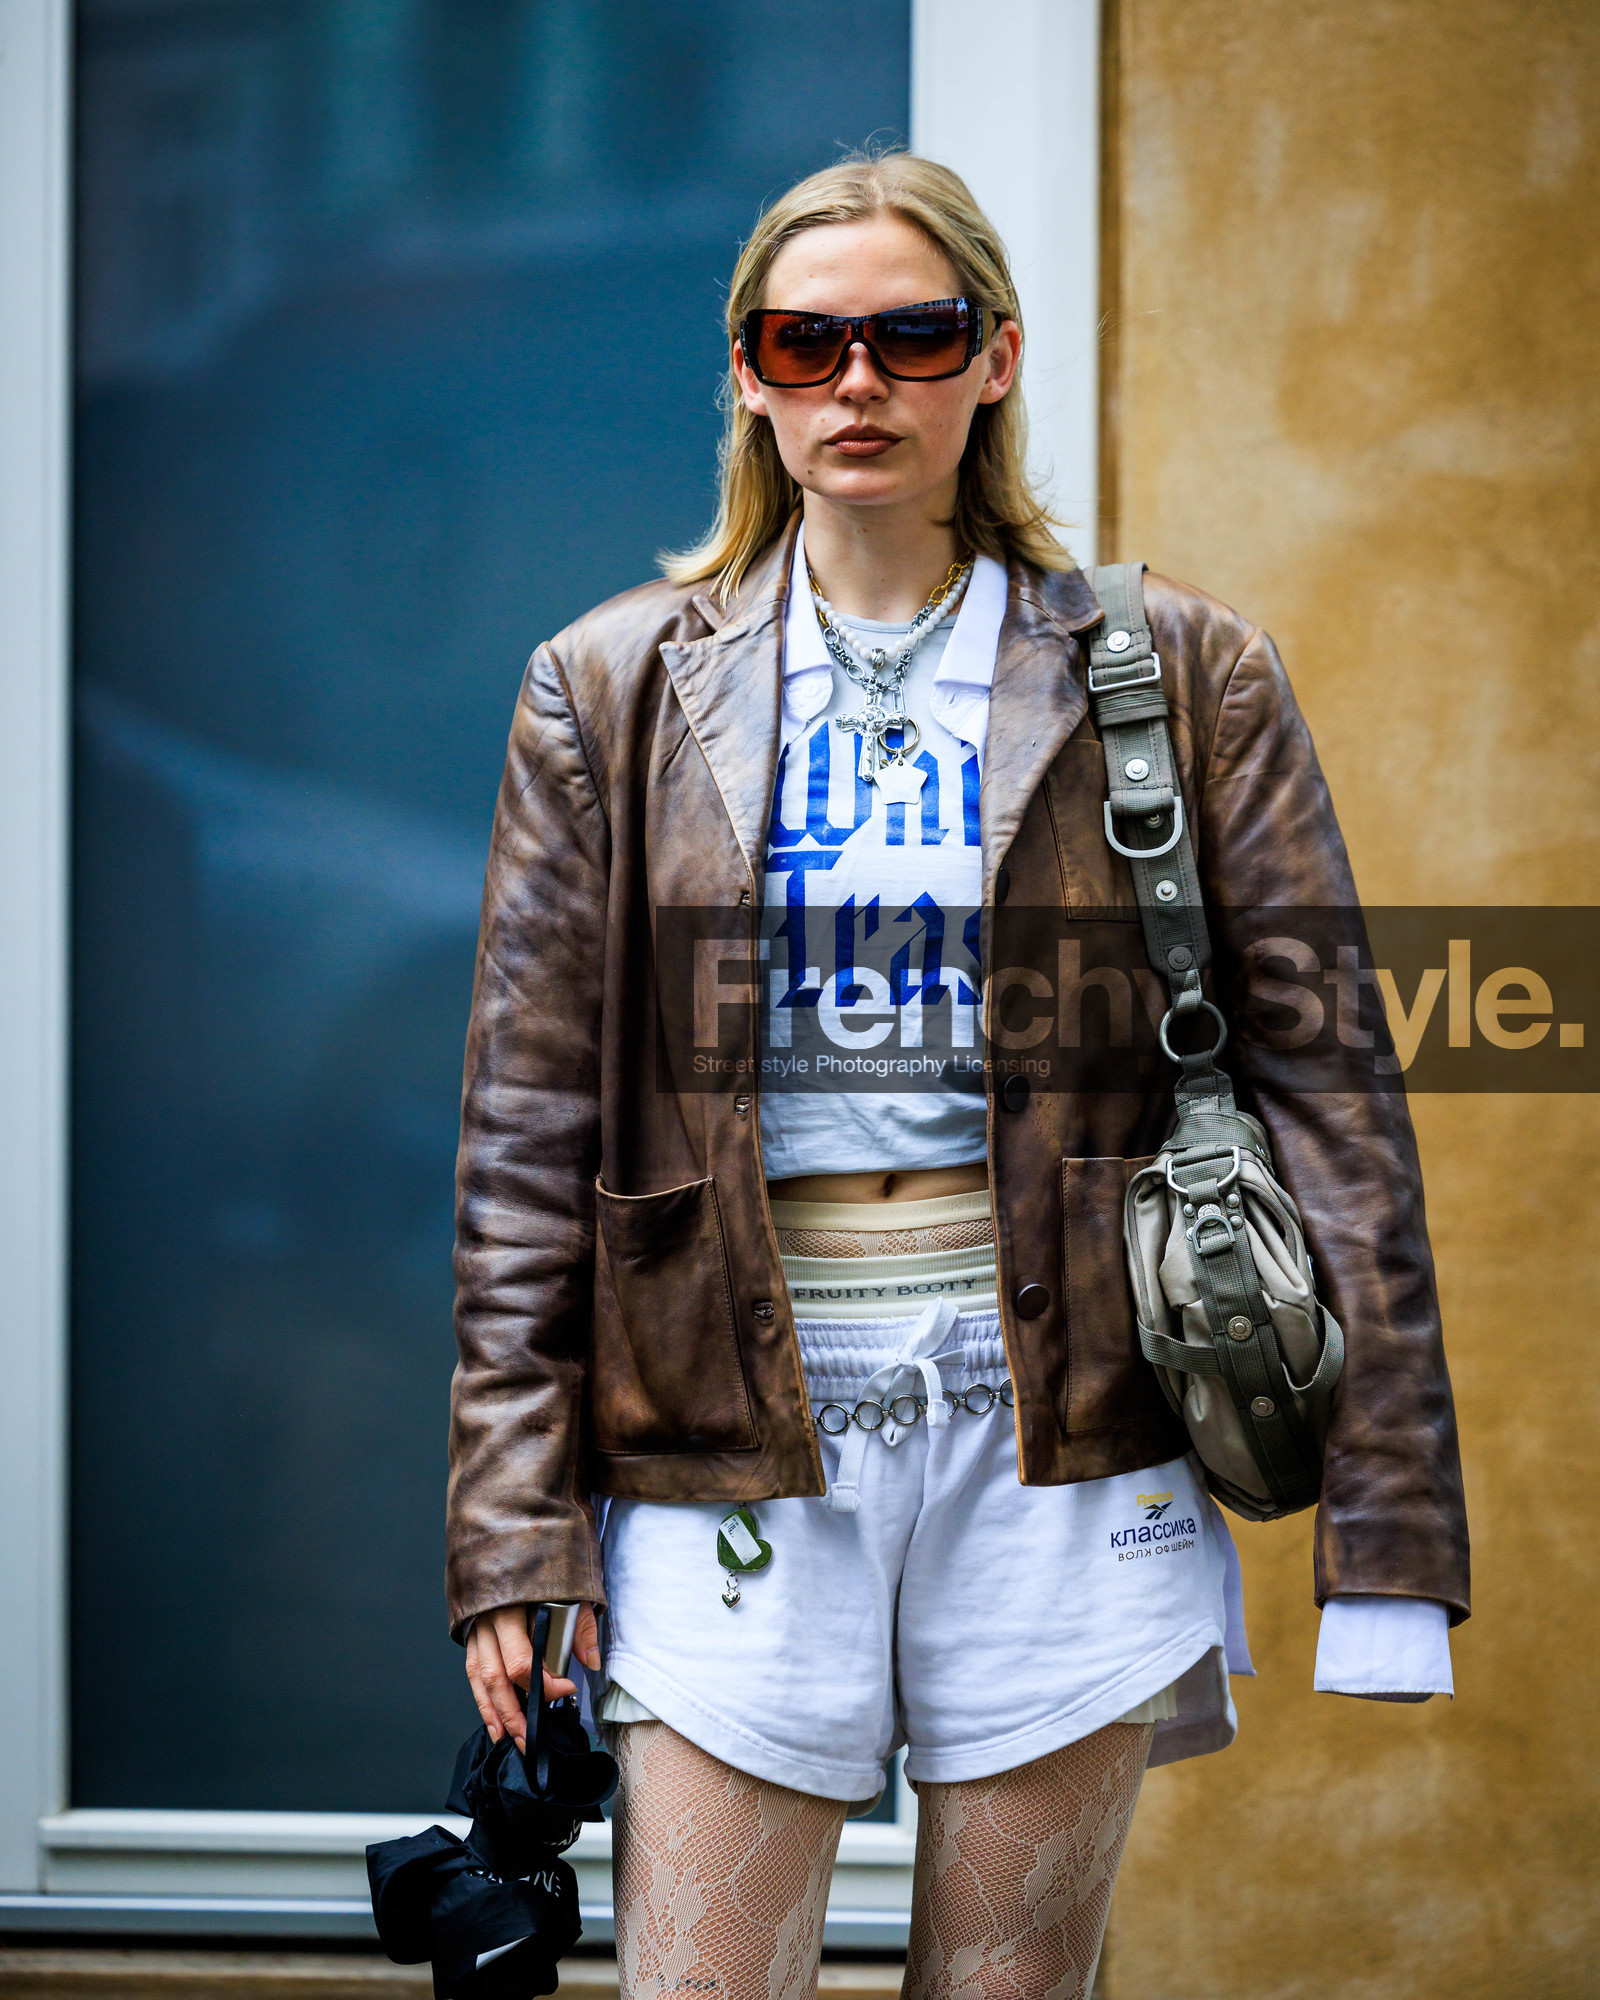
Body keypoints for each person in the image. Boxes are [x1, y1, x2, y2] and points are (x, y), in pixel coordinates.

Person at [446, 152, 1469, 2000]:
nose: (860, 383)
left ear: (994, 359)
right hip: (725, 1430)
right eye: (806, 342)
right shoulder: (606, 686)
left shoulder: (1177, 670)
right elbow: (527, 1140)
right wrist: (513, 1519)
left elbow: (1333, 1095)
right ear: (748, 374)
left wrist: (1390, 1530)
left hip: (1069, 1422)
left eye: (913, 336)